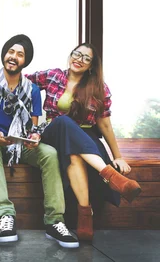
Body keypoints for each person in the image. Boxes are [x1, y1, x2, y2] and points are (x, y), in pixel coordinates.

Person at [25, 43, 141, 241]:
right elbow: (19, 80)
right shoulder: (53, 75)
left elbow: (105, 126)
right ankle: (111, 176)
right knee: (63, 121)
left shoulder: (98, 88)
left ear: (91, 66)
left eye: (86, 58)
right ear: (70, 55)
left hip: (85, 140)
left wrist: (118, 156)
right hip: (54, 133)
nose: (79, 59)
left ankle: (85, 216)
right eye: (77, 54)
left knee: (75, 154)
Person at [0, 34, 79, 248]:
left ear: (25, 61)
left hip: (18, 144)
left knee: (49, 153)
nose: (13, 57)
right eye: (11, 52)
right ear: (4, 54)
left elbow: (31, 126)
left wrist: (33, 137)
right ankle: (5, 216)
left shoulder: (31, 89)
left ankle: (55, 221)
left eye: (20, 54)